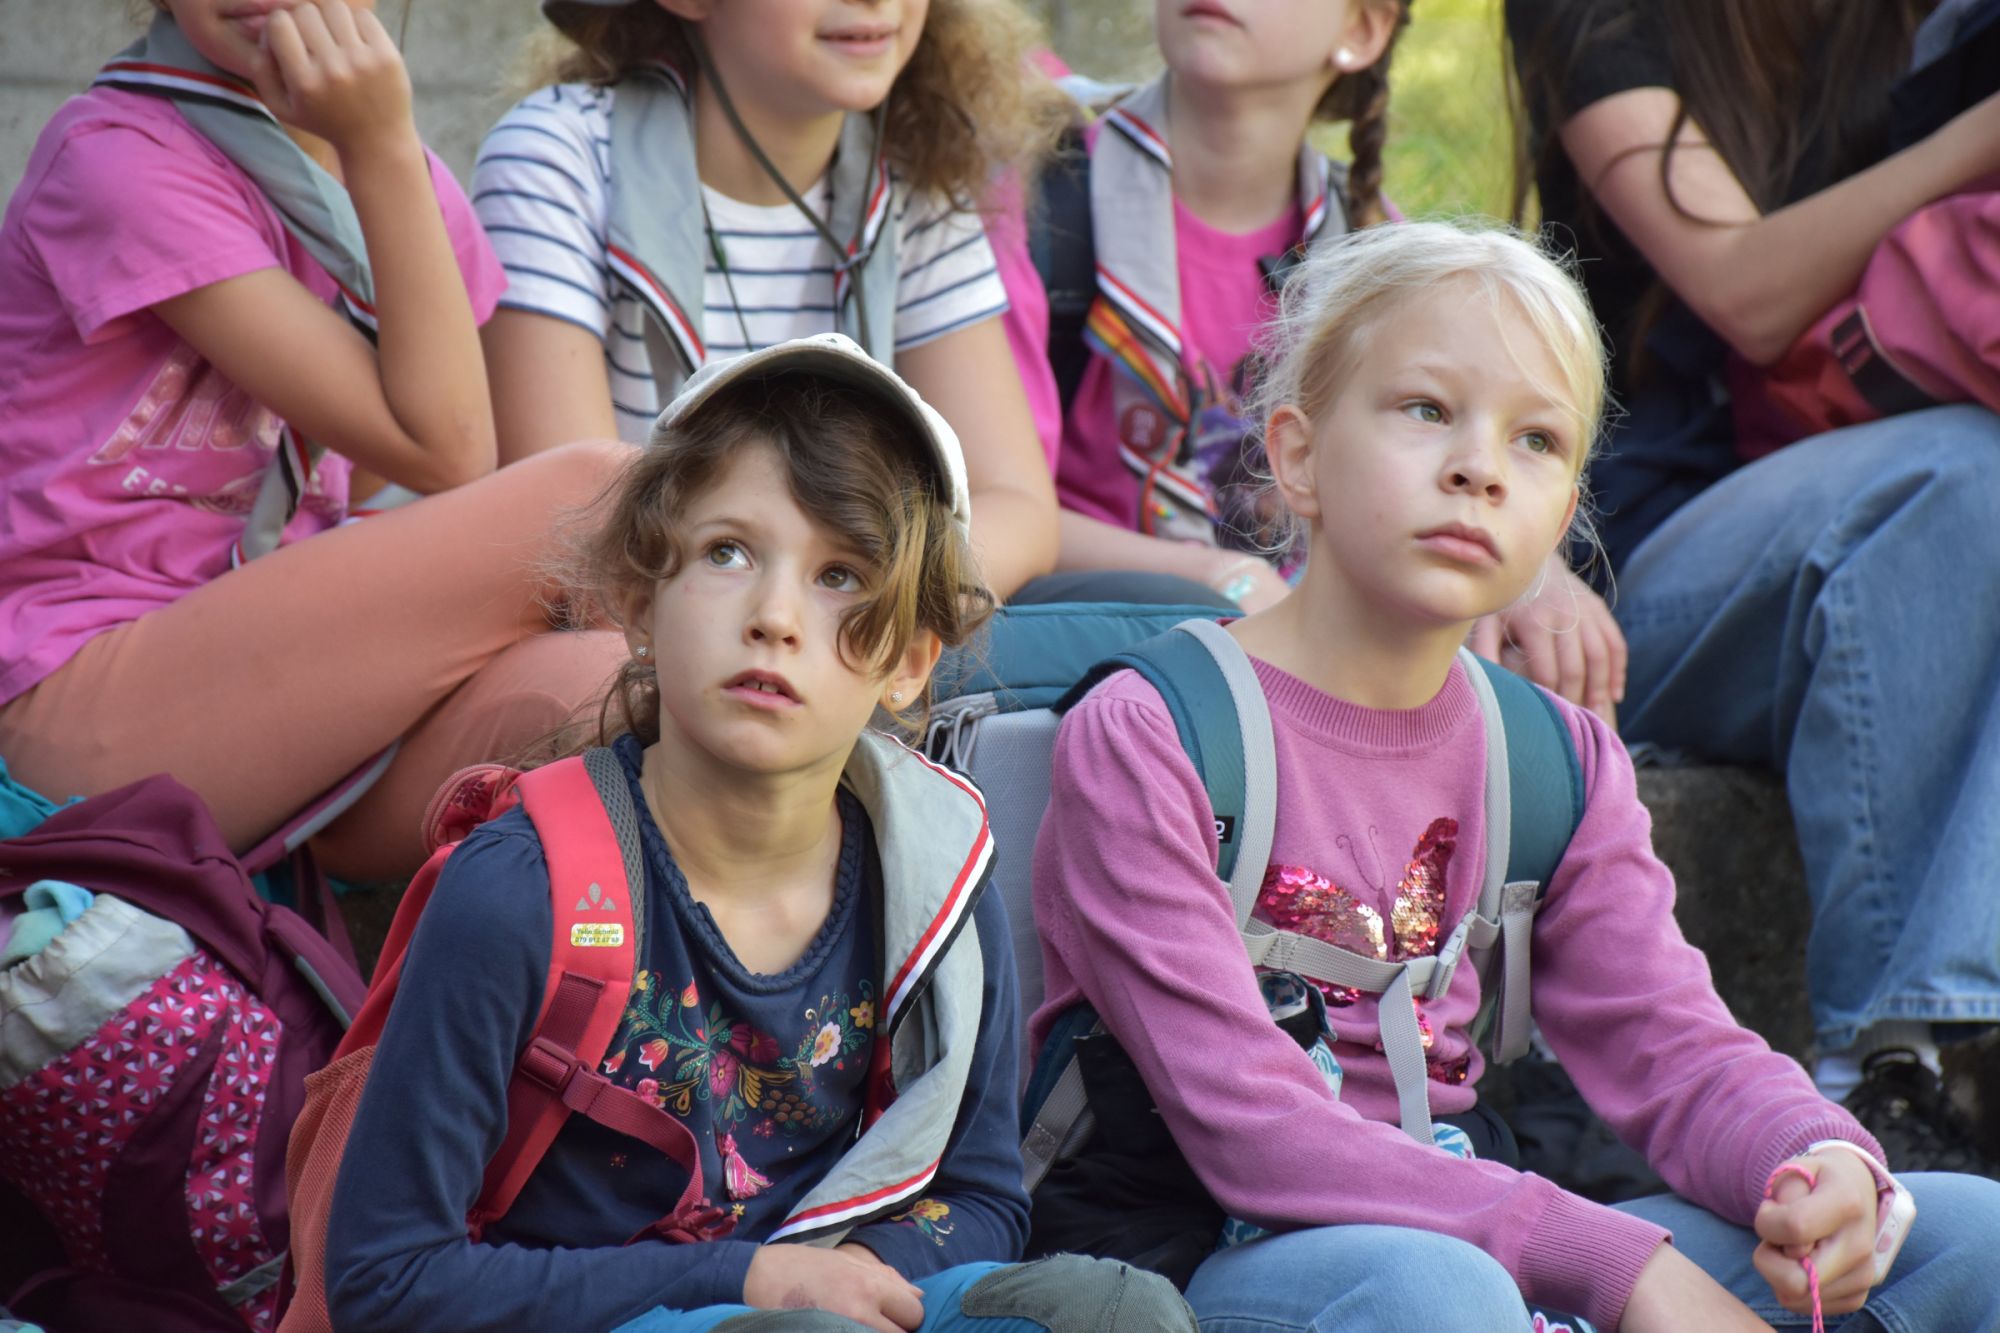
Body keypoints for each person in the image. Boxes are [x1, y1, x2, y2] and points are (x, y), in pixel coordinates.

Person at [1028, 221, 2000, 1332]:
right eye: (1424, 409)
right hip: (1205, 1259)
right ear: (1296, 456)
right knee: (1442, 1293)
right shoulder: (1152, 734)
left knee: (1967, 1235)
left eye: (1535, 439)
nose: (1478, 468)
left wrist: (1813, 1156)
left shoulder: (1553, 759)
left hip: (1477, 1237)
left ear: (1562, 512)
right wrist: (1620, 1267)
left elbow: (1673, 1047)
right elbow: (1252, 1129)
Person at [318, 335, 1196, 1333]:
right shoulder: (519, 893)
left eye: (840, 574)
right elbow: (385, 1280)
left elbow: (982, 1196)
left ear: (909, 662)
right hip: (613, 1315)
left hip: (823, 1302)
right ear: (640, 602)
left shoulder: (938, 885)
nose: (775, 614)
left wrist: (857, 1272)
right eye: (727, 552)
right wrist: (751, 1283)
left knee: (1114, 1312)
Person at [1507, 0, 2000, 1172]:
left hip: (1905, 542)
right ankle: (1886, 1063)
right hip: (1641, 558)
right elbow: (1740, 287)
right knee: (1960, 471)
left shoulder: (1925, 24)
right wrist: (1973, 138)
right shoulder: (1599, 21)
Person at [0, 0, 635, 883]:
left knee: (608, 685)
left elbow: (365, 478)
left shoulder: (398, 183)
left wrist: (382, 158)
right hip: (73, 695)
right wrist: (380, 145)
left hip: (277, 710)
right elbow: (449, 452)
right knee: (591, 497)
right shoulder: (116, 157)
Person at [472, 0, 1063, 601]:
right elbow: (575, 534)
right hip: (636, 628)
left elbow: (1017, 504)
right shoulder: (561, 157)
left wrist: (866, 611)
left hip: (854, 617)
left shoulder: (917, 173)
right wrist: (810, 609)